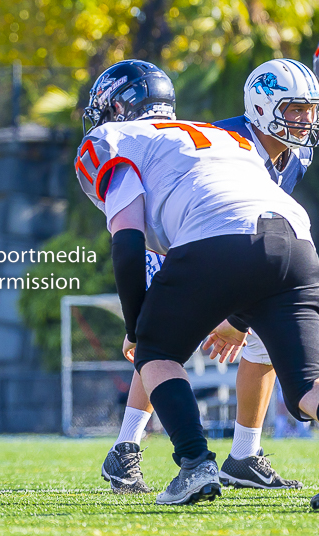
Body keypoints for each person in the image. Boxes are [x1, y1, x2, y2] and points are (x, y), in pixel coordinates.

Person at [76, 59, 319, 507]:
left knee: (156, 351)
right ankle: (205, 455)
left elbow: (128, 243)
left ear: (111, 108)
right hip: (297, 243)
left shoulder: (115, 138)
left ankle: (194, 464)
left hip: (217, 237)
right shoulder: (226, 136)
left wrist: (136, 328)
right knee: (307, 386)